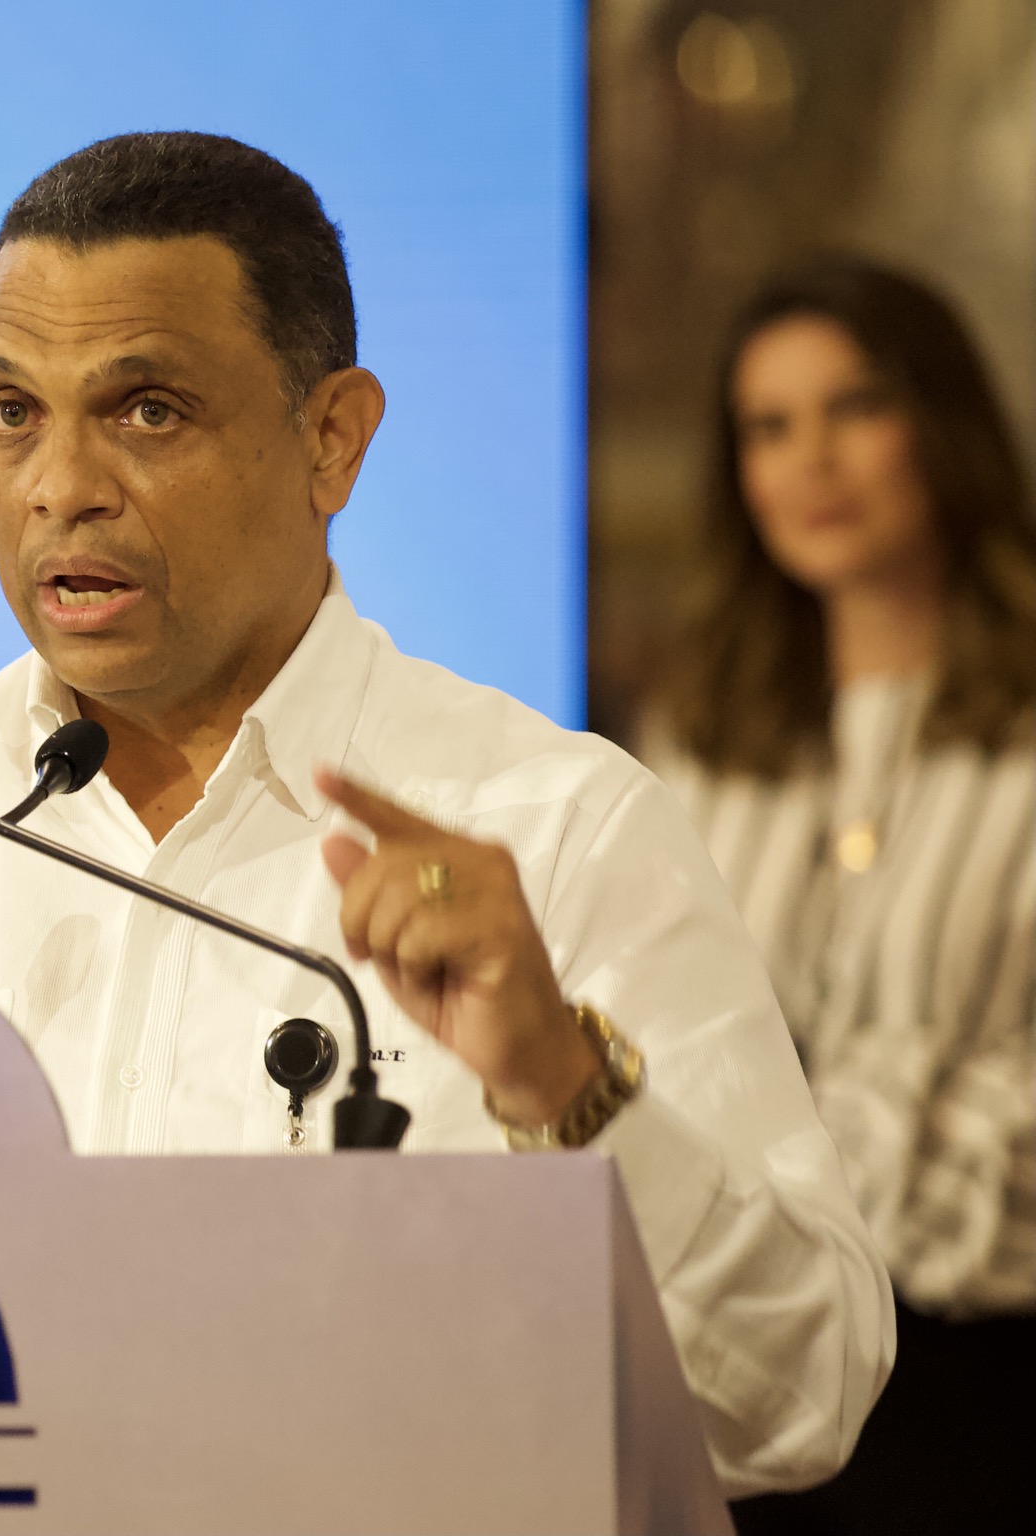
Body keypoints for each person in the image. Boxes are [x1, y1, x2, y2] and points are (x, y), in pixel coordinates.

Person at [0, 132, 888, 1494]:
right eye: (11, 412)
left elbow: (800, 1401)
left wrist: (562, 1085)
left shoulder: (553, 832)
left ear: (332, 438)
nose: (59, 487)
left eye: (147, 411)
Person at [646, 260, 1034, 1532]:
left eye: (855, 407)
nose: (809, 461)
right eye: (768, 427)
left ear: (943, 425)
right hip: (743, 1364)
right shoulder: (699, 735)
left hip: (988, 1375)